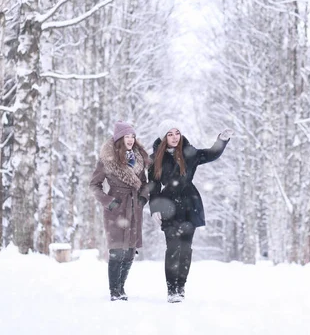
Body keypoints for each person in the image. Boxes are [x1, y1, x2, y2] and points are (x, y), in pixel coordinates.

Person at [149, 119, 233, 303]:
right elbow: (152, 186)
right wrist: (154, 208)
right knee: (172, 248)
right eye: (170, 134)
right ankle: (172, 290)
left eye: (177, 133)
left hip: (189, 204)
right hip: (168, 205)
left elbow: (211, 154)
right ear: (164, 138)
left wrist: (221, 140)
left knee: (186, 249)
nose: (174, 137)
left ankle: (181, 287)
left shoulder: (189, 152)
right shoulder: (155, 158)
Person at [89, 121, 150, 301]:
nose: (130, 139)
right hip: (116, 209)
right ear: (119, 138)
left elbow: (145, 184)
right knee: (117, 251)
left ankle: (121, 288)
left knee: (130, 251)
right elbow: (94, 185)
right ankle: (114, 292)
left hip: (134, 208)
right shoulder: (107, 159)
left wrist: (142, 198)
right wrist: (109, 202)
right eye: (126, 136)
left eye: (132, 136)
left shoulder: (138, 158)